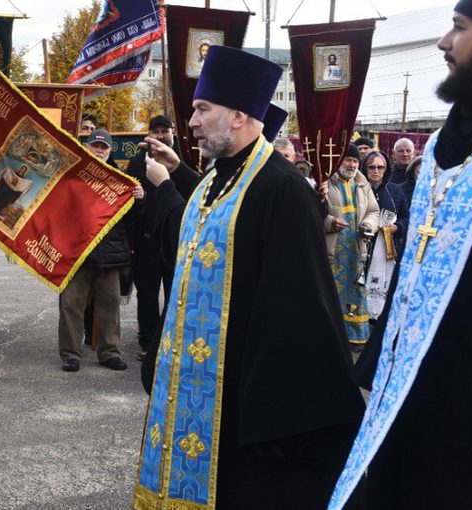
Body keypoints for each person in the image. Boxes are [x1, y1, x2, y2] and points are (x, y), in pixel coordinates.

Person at [134, 45, 363, 509]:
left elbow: (297, 313)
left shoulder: (283, 189)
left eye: (202, 109)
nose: (192, 122)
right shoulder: (215, 182)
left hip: (240, 405)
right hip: (188, 392)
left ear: (238, 115)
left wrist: (273, 416)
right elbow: (192, 254)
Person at [330, 2, 472, 507]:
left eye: (460, 29)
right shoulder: (450, 136)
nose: (444, 42)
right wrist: (379, 363)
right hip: (409, 385)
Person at [58, 129, 141, 373]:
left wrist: (140, 197)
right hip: (78, 252)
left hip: (110, 253)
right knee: (71, 303)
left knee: (110, 304)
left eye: (104, 147)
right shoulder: (72, 177)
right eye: (95, 145)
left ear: (110, 150)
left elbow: (135, 217)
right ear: (86, 146)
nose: (99, 150)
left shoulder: (120, 180)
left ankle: (109, 352)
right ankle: (71, 354)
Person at [124, 115, 176, 360]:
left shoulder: (180, 160)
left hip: (175, 238)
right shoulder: (137, 162)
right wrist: (140, 199)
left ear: (171, 133)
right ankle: (148, 341)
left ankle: (171, 338)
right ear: (149, 135)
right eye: (156, 131)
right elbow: (129, 204)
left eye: (164, 131)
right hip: (147, 239)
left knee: (174, 292)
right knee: (147, 293)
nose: (160, 135)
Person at [324, 144, 379, 348]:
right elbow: (314, 211)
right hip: (333, 249)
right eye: (348, 159)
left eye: (355, 161)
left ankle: (355, 336)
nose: (352, 164)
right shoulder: (326, 182)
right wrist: (330, 222)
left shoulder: (363, 184)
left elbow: (374, 211)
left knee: (355, 291)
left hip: (356, 250)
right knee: (330, 291)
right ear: (338, 160)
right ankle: (331, 336)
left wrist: (368, 226)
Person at [362, 151, 409, 321]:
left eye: (380, 167)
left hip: (386, 247)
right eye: (371, 167)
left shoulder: (394, 191)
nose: (375, 171)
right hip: (362, 245)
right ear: (365, 168)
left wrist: (397, 227)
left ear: (386, 169)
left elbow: (406, 216)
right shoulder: (358, 188)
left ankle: (379, 318)